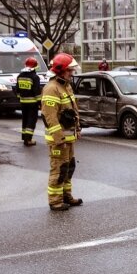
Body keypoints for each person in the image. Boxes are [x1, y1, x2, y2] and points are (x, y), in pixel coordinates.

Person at [41, 53, 83, 212]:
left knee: (68, 167)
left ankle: (66, 196)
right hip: (59, 140)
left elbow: (73, 110)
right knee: (58, 169)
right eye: (70, 70)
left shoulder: (65, 85)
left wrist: (78, 128)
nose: (72, 73)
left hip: (69, 137)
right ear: (61, 71)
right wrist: (59, 139)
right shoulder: (52, 89)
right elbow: (49, 117)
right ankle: (55, 201)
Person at [15, 57, 41, 146]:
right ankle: (28, 139)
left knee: (25, 120)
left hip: (23, 102)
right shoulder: (35, 77)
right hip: (32, 103)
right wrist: (39, 103)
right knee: (31, 120)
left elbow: (17, 90)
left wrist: (20, 98)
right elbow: (37, 91)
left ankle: (24, 138)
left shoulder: (20, 76)